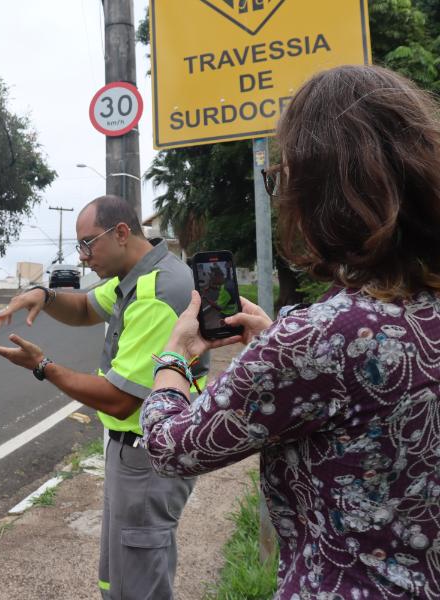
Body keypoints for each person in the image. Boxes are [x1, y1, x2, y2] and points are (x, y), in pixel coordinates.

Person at [140, 64, 440, 599]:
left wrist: (176, 356)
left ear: (315, 190)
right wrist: (284, 348)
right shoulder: (338, 334)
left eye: (280, 177)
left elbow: (171, 449)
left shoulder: (318, 340)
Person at [0, 195, 208, 599]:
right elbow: (87, 307)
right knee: (122, 575)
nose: (84, 257)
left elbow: (121, 399)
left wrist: (43, 366)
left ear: (121, 233)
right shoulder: (136, 278)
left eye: (89, 243)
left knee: (139, 583)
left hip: (147, 456)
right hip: (134, 451)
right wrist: (46, 295)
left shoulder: (157, 292)